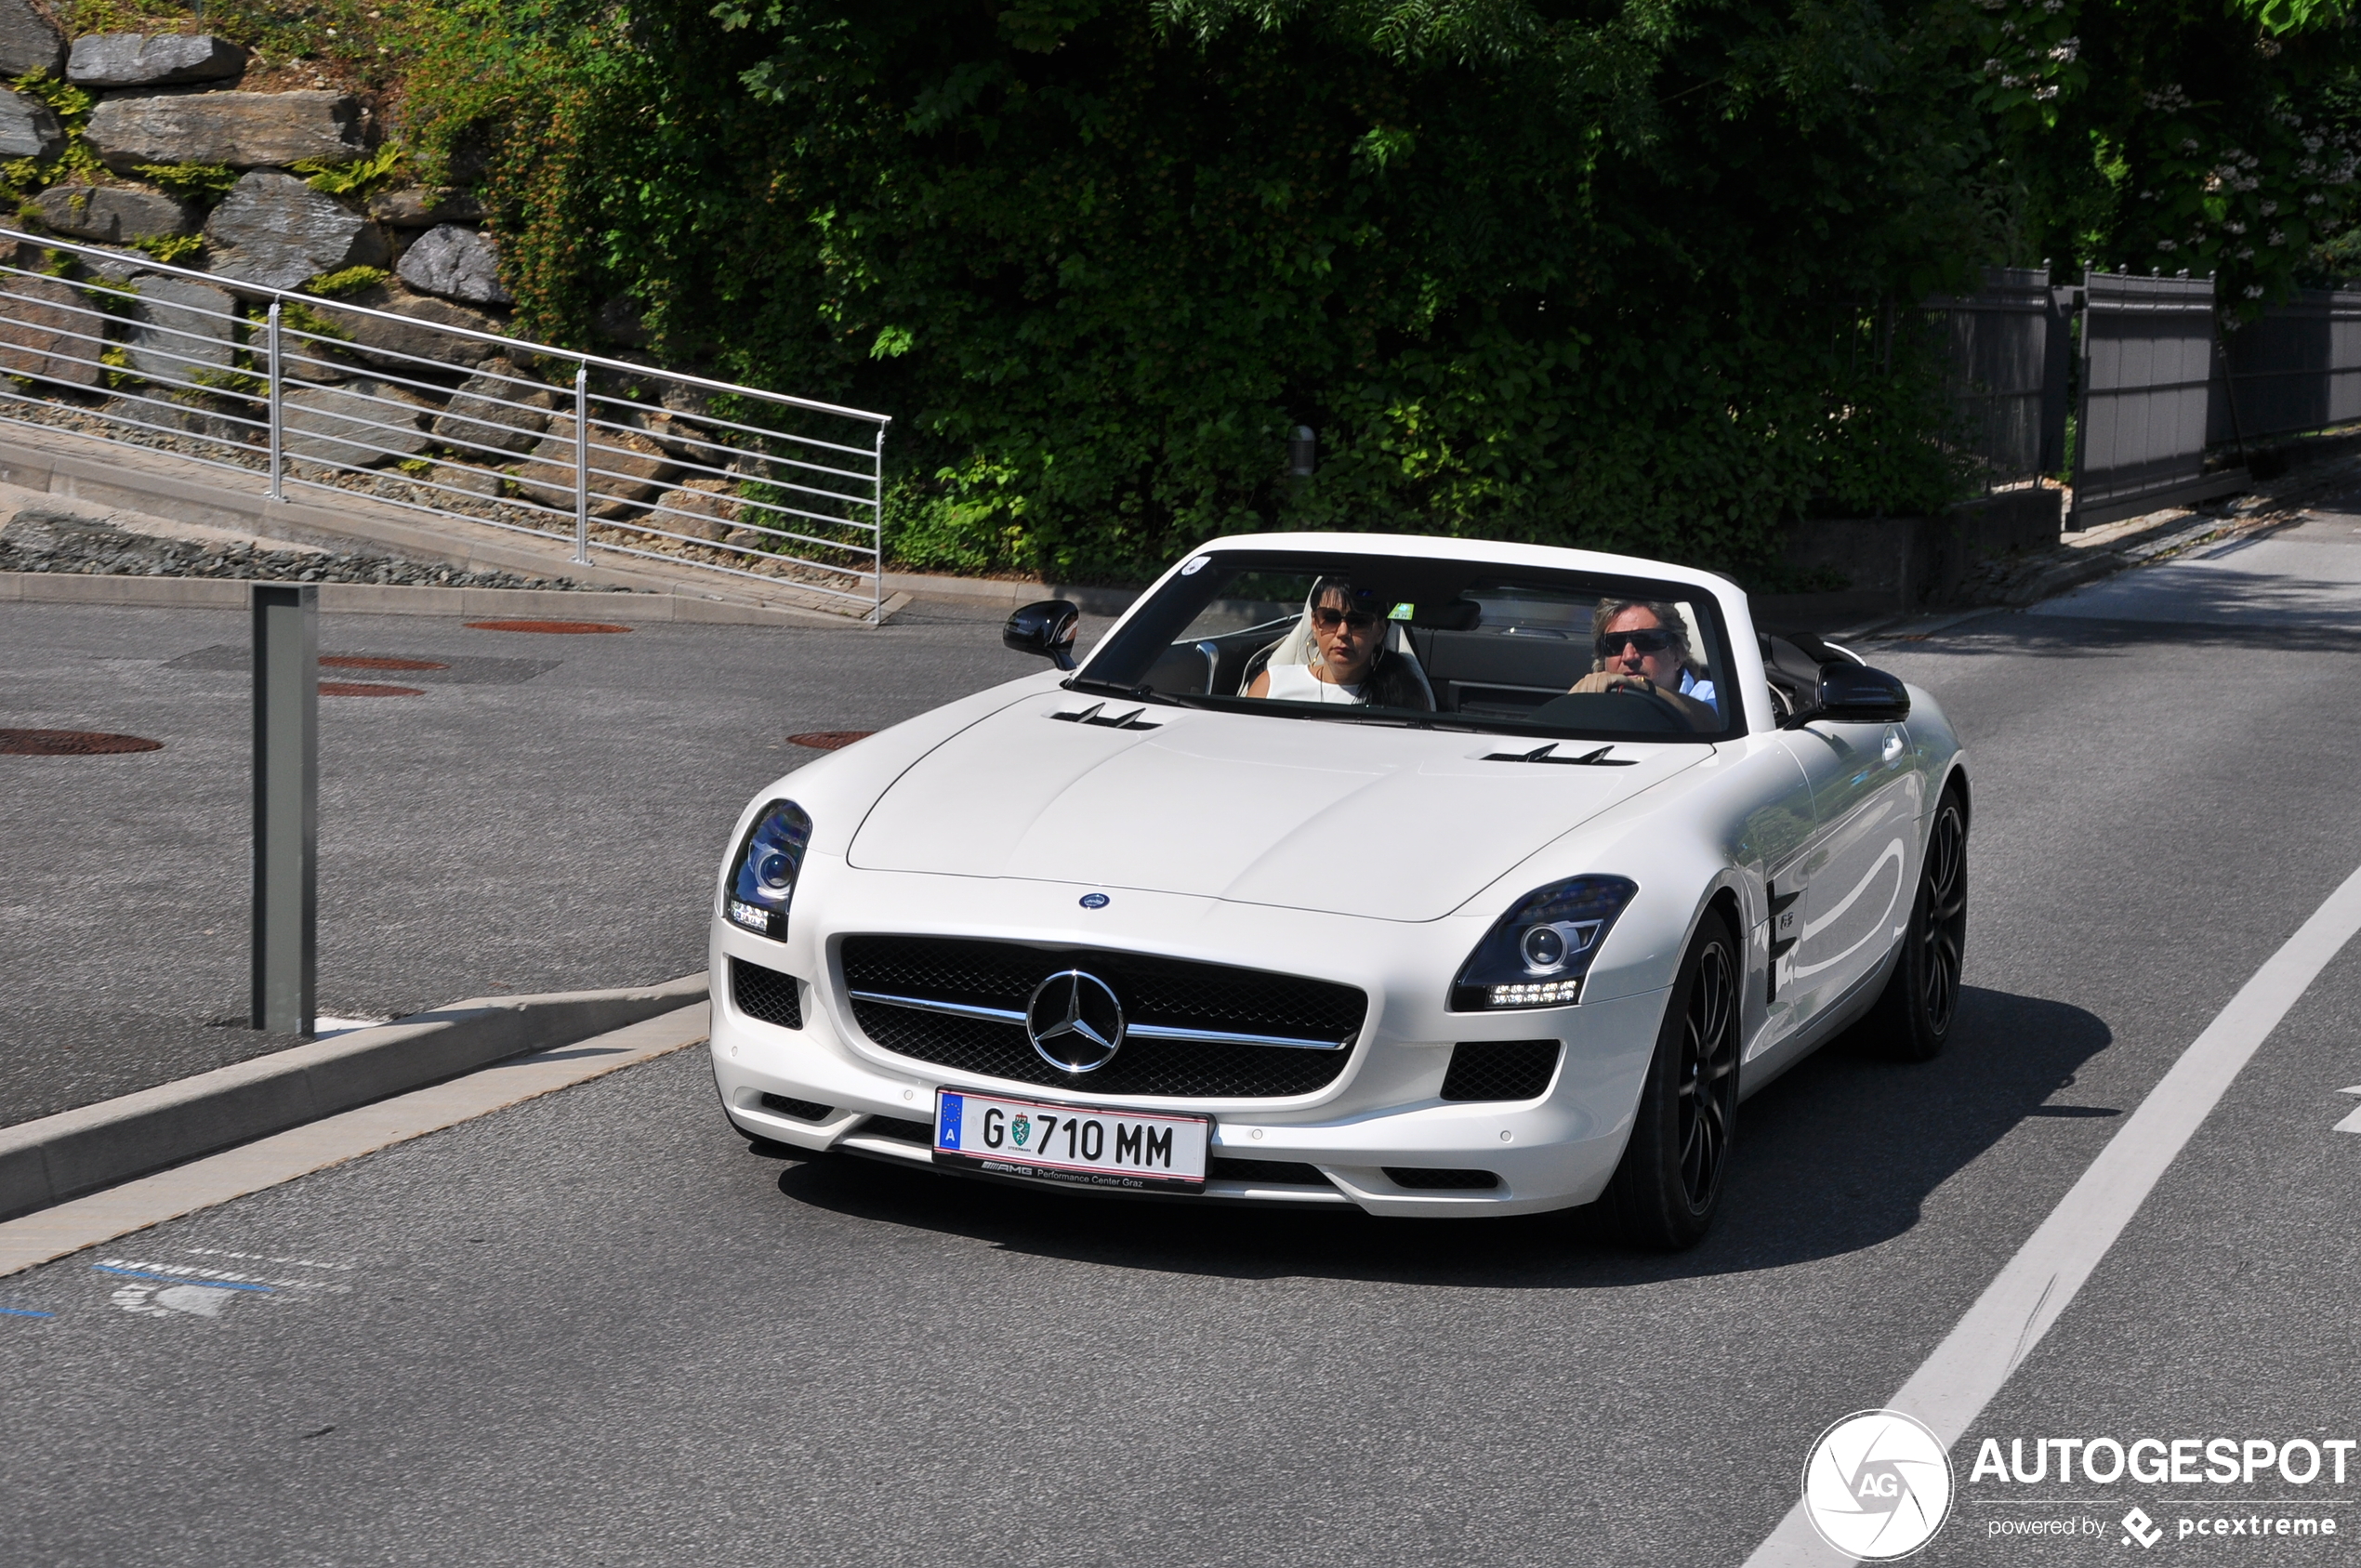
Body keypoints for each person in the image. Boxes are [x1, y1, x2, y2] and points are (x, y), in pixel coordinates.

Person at [1246, 576, 1431, 708]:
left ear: (1380, 631)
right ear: (1314, 624)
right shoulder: (1272, 683)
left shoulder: (1401, 699)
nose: (1343, 632)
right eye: (1331, 618)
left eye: (1358, 621)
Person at [1570, 600, 1720, 729]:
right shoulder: (1592, 701)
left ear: (1678, 653)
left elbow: (1717, 723)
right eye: (1614, 643)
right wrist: (1578, 705)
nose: (1629, 656)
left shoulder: (1714, 696)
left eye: (1646, 640)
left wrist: (1642, 688)